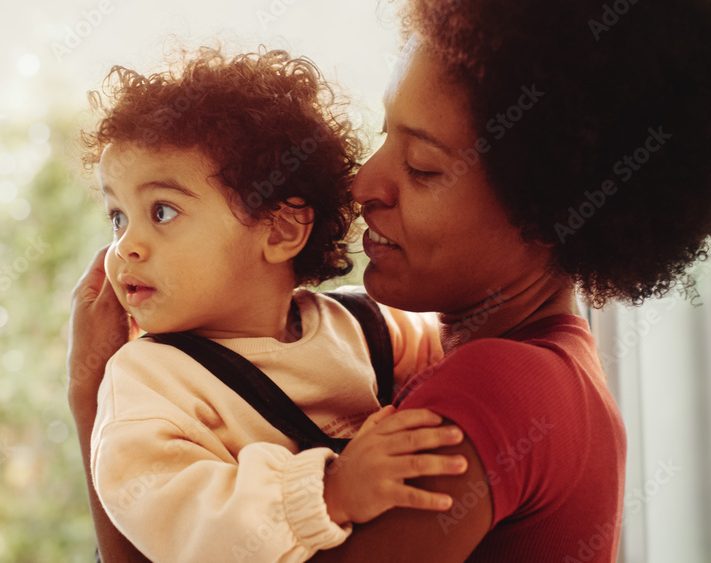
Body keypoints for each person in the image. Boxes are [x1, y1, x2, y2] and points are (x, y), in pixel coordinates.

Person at [70, 0, 711, 561]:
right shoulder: (514, 361)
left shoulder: (498, 387)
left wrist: (88, 396)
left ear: (543, 208)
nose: (362, 185)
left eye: (424, 167)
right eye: (384, 135)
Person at [74, 48, 473, 563]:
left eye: (162, 210)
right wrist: (332, 493)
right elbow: (187, 522)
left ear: (281, 230)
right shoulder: (147, 382)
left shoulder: (360, 327)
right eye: (117, 217)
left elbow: (462, 358)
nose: (125, 244)